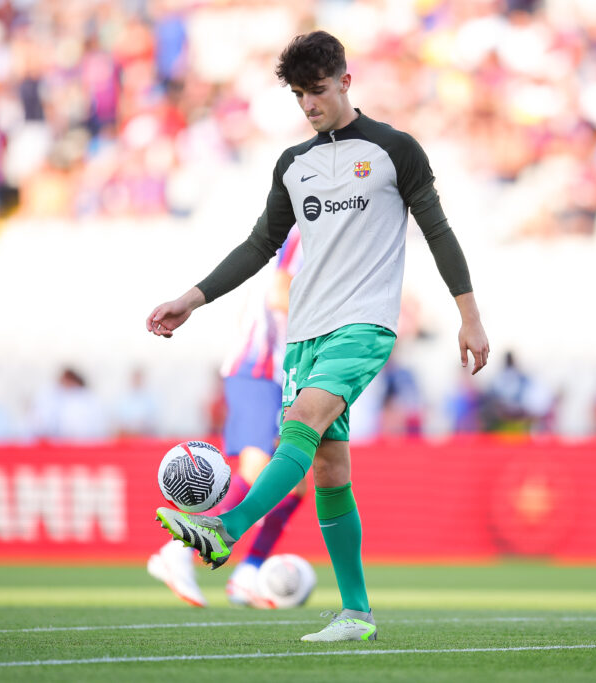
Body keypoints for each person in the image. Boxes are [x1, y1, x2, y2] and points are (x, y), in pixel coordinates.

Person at [146, 31, 489, 643]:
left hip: (364, 327)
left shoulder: (394, 150)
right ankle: (356, 613)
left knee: (299, 424)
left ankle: (225, 529)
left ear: (346, 82)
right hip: (303, 336)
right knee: (329, 470)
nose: (309, 104)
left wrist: (469, 315)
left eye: (319, 90)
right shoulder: (293, 165)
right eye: (300, 94)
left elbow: (437, 230)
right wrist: (191, 299)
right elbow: (259, 247)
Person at [148, 229, 306, 609]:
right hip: (261, 367)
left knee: (297, 483)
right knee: (258, 469)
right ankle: (178, 550)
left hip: (277, 370)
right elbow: (278, 293)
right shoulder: (308, 227)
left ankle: (247, 574)